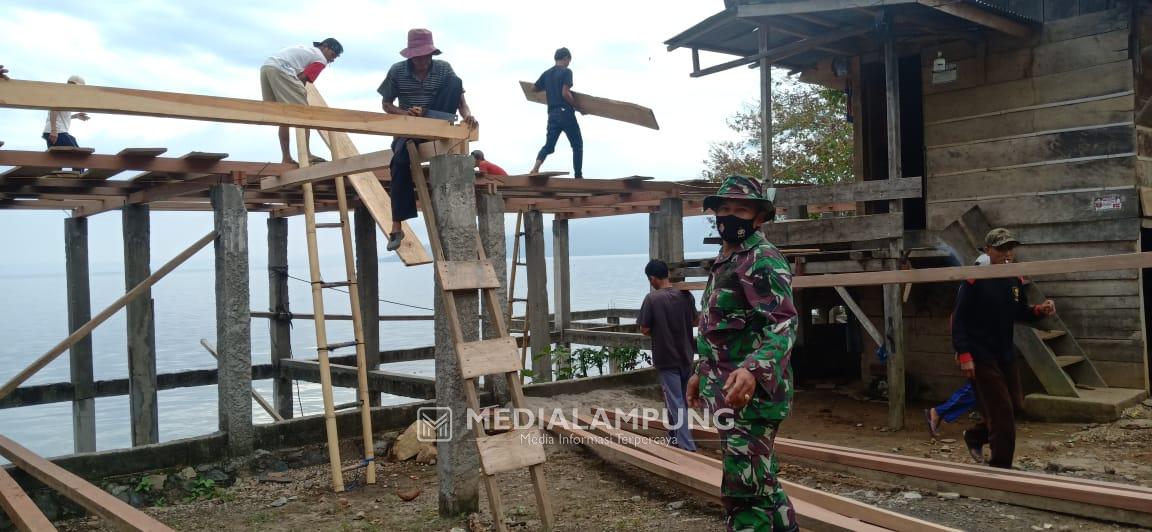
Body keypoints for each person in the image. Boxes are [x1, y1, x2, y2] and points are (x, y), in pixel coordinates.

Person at [687, 175, 798, 531]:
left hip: (752, 396)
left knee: (744, 491)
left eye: (741, 209)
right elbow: (715, 327)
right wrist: (699, 371)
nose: (731, 216)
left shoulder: (762, 260)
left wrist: (752, 370)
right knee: (761, 486)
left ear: (759, 217)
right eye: (724, 209)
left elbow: (782, 325)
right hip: (728, 393)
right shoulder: (727, 259)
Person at [953, 228, 1056, 468]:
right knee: (1002, 414)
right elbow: (958, 319)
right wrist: (964, 353)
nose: (1007, 254)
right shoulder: (974, 278)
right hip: (980, 353)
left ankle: (975, 436)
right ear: (988, 250)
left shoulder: (1014, 278)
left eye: (1010, 248)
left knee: (1016, 406)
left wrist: (1039, 310)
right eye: (1001, 249)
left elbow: (1018, 311)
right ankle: (1001, 468)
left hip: (1004, 352)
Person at [378, 29, 477, 252]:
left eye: (425, 56)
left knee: (455, 81)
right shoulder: (397, 71)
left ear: (431, 53)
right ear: (410, 56)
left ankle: (433, 120)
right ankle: (396, 225)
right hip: (410, 127)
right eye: (417, 57)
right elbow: (386, 105)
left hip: (437, 119)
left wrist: (467, 115)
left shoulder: (443, 68)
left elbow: (461, 102)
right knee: (400, 163)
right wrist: (403, 113)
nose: (422, 61)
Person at [924, 253, 989, 438]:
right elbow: (957, 319)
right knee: (977, 388)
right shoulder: (971, 288)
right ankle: (937, 412)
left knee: (982, 388)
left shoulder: (984, 288)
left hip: (984, 345)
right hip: (975, 345)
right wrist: (962, 350)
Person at [638, 259, 698, 452]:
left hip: (666, 358)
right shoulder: (685, 295)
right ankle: (673, 440)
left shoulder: (652, 299)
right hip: (686, 355)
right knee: (679, 401)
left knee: (675, 402)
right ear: (668, 274)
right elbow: (695, 321)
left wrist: (660, 328)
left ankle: (688, 447)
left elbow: (645, 328)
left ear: (652, 278)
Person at [261, 38, 343, 164]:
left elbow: (297, 76)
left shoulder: (308, 51)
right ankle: (307, 155)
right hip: (282, 69)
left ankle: (286, 157)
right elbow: (302, 79)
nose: (332, 59)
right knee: (304, 115)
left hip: (267, 67)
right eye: (333, 55)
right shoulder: (321, 59)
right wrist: (300, 97)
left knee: (282, 118)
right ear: (325, 47)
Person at [529, 47, 583, 179]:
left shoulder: (547, 74)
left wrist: (549, 88)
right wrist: (578, 107)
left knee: (549, 145)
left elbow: (533, 88)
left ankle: (535, 168)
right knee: (577, 145)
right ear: (565, 58)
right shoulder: (567, 72)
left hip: (552, 114)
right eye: (568, 61)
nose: (568, 63)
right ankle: (578, 176)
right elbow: (565, 93)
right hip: (565, 113)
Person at [43, 75, 91, 149]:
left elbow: (60, 114)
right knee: (76, 153)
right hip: (57, 131)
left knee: (68, 154)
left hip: (57, 131)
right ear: (72, 85)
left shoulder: (66, 96)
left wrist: (76, 116)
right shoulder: (62, 95)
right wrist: (54, 130)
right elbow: (54, 110)